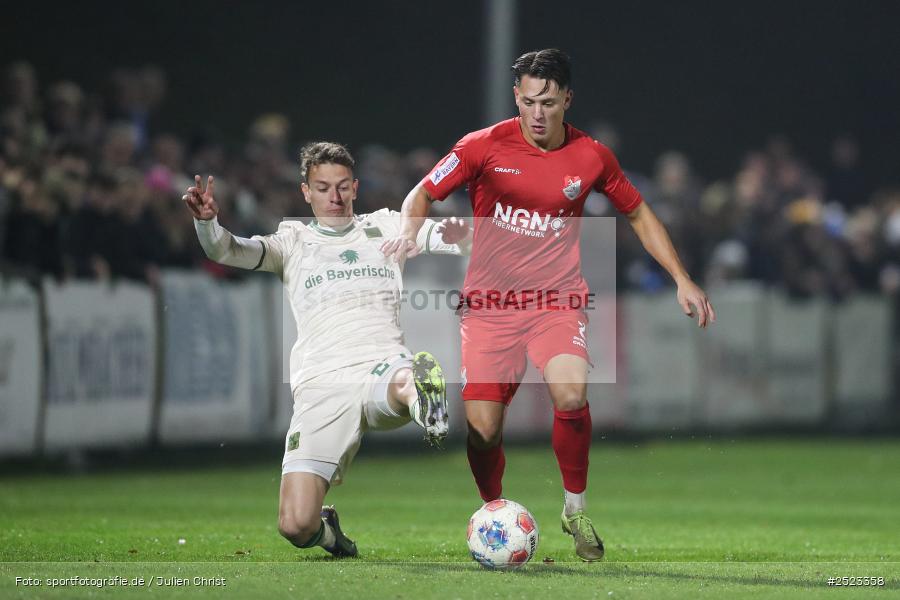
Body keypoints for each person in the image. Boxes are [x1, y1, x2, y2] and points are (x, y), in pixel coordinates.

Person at [384, 49, 715, 562]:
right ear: (517, 96)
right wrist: (409, 230)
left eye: (549, 102)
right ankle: (494, 512)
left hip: (556, 301)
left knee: (569, 392)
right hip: (489, 307)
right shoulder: (481, 146)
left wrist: (682, 278)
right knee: (484, 430)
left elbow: (639, 214)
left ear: (567, 99)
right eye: (529, 101)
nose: (537, 113)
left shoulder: (592, 156)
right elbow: (421, 194)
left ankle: (574, 507)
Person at [184, 141, 470, 558]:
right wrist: (208, 225)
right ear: (306, 192)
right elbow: (230, 251)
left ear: (355, 187)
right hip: (321, 384)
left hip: (381, 365)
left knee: (403, 378)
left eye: (341, 187)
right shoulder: (292, 241)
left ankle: (423, 401)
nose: (334, 197)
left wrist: (497, 229)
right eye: (322, 188)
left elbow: (455, 236)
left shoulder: (389, 225)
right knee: (295, 525)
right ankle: (329, 534)